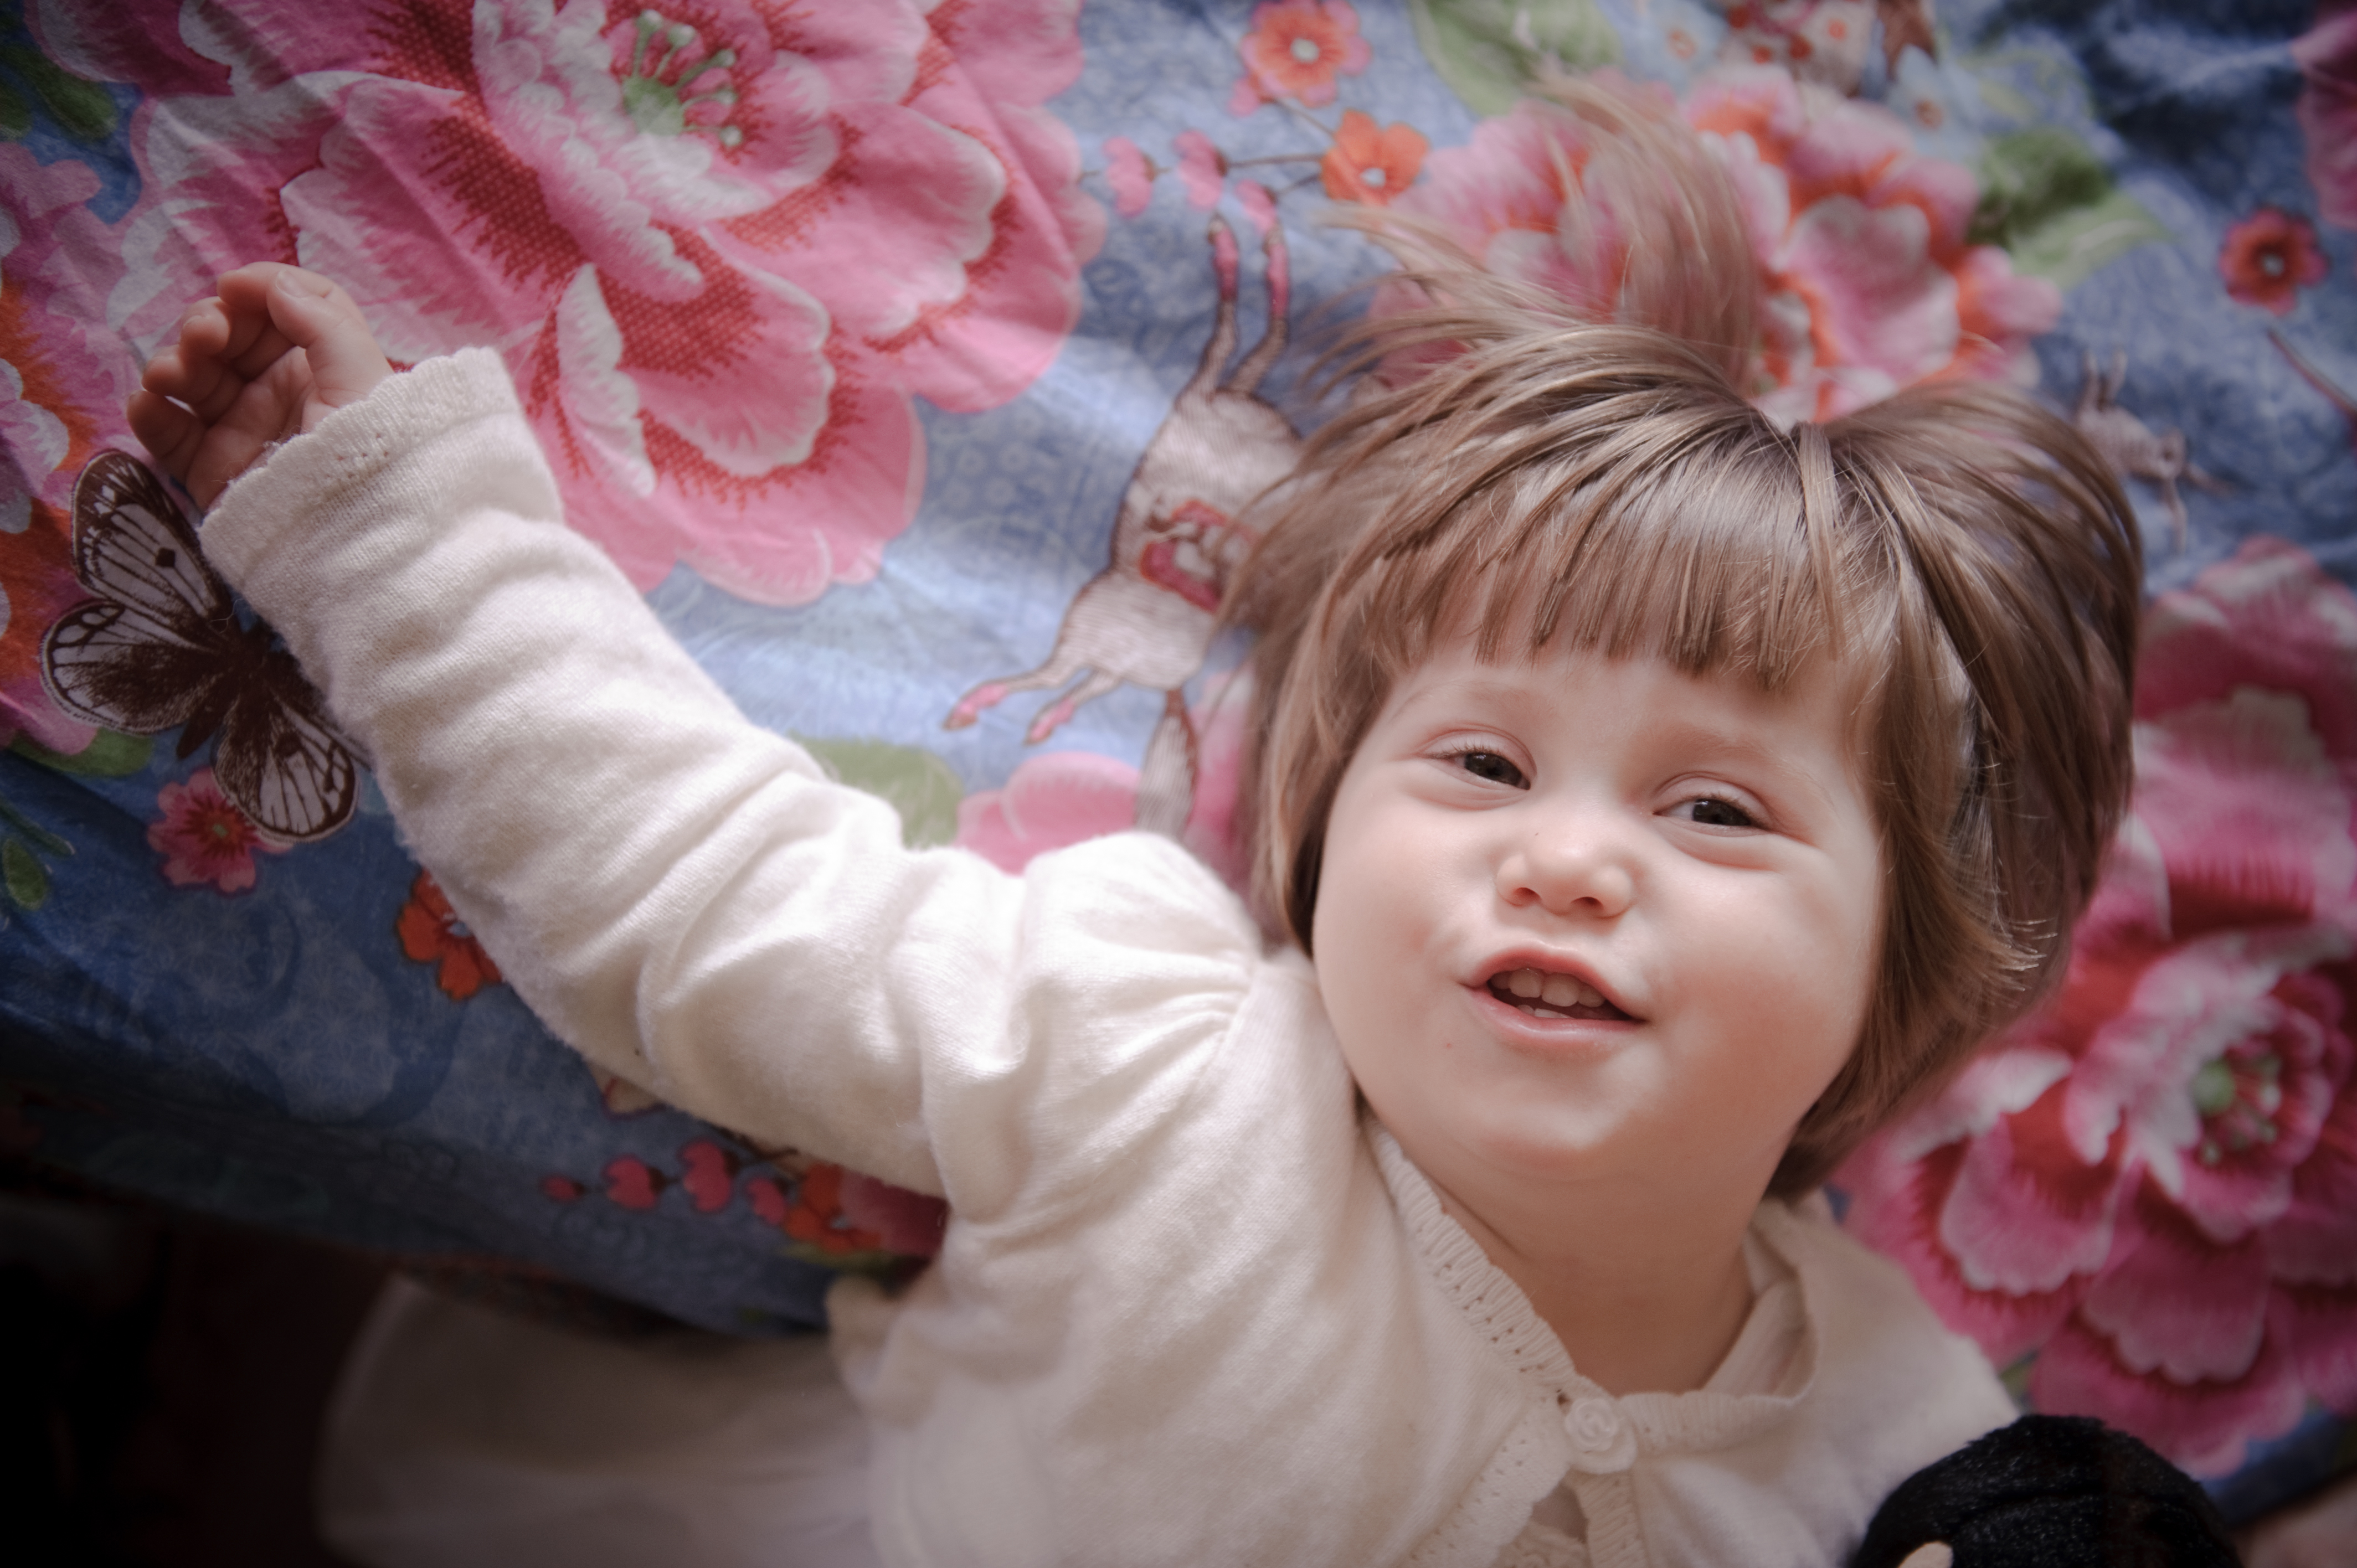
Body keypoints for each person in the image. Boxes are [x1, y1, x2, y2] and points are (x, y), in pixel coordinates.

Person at [126, 89, 2139, 1568]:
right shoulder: (1157, 1053)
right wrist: (401, 535)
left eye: (1715, 807)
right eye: (1481, 768)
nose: (1570, 860)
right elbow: (699, 887)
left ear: (1911, 951)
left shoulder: (1907, 1426)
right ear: (1326, 836)